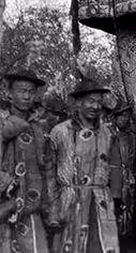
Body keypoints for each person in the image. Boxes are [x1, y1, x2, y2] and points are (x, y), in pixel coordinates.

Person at [47, 79, 120, 253]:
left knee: (101, 246)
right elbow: (49, 171)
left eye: (99, 102)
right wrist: (52, 206)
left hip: (100, 202)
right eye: (91, 101)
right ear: (78, 102)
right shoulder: (60, 132)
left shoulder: (108, 133)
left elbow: (115, 167)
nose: (96, 106)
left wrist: (117, 198)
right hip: (69, 200)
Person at [0, 69, 55, 253]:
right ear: (9, 92)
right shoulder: (2, 123)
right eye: (21, 90)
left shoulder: (40, 129)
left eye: (31, 91)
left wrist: (51, 207)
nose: (26, 96)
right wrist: (7, 183)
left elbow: (48, 168)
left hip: (31, 210)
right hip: (4, 207)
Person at [108, 100, 136, 249]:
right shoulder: (107, 134)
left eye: (127, 116)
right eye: (122, 116)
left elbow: (133, 158)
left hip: (125, 182)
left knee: (124, 215)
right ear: (115, 117)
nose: (125, 119)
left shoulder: (130, 137)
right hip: (111, 182)